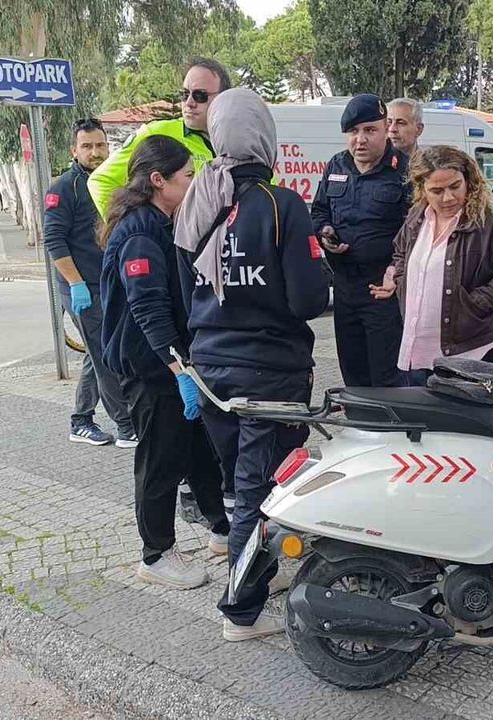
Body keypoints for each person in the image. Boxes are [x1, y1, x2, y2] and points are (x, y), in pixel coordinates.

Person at [173, 88, 328, 641]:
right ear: (265, 137)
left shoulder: (196, 203)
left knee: (241, 487)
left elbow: (186, 292)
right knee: (259, 493)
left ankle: (253, 571)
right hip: (269, 372)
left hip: (211, 370)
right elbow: (308, 300)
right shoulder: (282, 205)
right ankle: (241, 611)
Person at [96, 135, 231, 589]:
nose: (194, 183)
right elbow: (147, 308)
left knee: (198, 452)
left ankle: (222, 529)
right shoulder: (139, 232)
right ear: (158, 180)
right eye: (188, 176)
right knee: (160, 462)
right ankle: (155, 555)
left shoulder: (163, 222)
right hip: (150, 371)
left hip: (170, 365)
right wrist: (179, 370)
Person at [371, 146, 493, 384]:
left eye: (455, 186)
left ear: (468, 181)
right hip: (419, 349)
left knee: (465, 409)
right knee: (423, 408)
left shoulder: (489, 219)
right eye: (437, 191)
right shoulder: (418, 216)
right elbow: (401, 252)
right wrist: (398, 277)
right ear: (422, 189)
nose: (448, 197)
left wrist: (477, 303)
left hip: (473, 350)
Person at [44, 118, 136, 448]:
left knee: (96, 354)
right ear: (74, 150)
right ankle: (126, 426)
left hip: (109, 284)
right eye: (87, 146)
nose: (94, 152)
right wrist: (75, 284)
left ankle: (81, 420)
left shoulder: (114, 181)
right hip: (81, 287)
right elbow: (53, 240)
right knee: (106, 353)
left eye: (99, 145)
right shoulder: (64, 188)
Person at [310, 94, 411, 388]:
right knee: (353, 374)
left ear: (385, 128)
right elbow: (319, 210)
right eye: (353, 132)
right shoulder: (337, 165)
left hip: (383, 290)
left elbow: (416, 230)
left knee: (387, 378)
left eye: (370, 130)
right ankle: (358, 417)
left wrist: (396, 270)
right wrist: (325, 231)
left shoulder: (405, 171)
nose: (360, 139)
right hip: (344, 287)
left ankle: (389, 420)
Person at [89, 57, 228, 215]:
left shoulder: (237, 140)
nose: (189, 103)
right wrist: (130, 225)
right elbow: (101, 181)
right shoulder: (156, 132)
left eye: (200, 95)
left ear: (223, 98)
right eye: (184, 94)